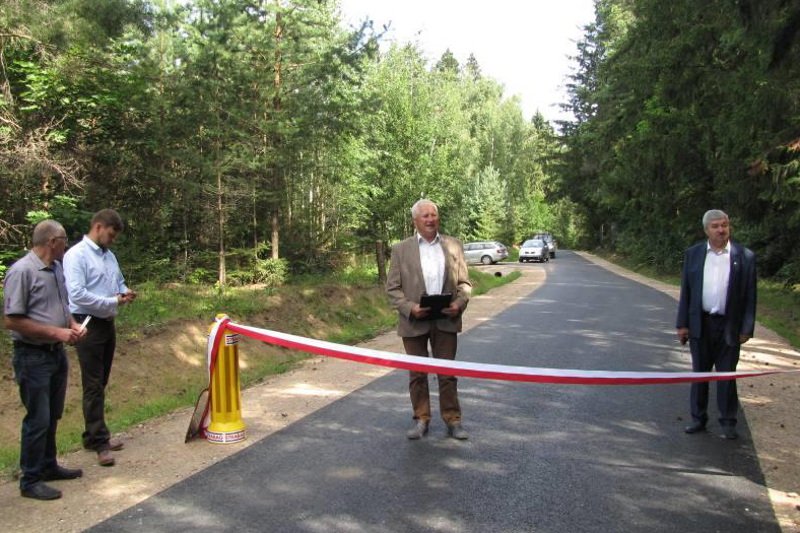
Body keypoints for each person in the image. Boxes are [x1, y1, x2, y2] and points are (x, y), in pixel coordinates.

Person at [3, 220, 86, 500]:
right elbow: (12, 320)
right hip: (32, 356)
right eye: (64, 239)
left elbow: (62, 306)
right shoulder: (22, 272)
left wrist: (72, 325)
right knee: (37, 418)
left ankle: (48, 466)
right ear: (52, 241)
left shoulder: (57, 268)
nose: (67, 245)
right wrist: (56, 332)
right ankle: (30, 479)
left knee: (52, 414)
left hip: (56, 353)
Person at [386, 199, 472, 440]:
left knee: (447, 373)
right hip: (414, 321)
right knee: (417, 374)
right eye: (425, 216)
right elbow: (392, 289)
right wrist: (410, 308)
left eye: (433, 215)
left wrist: (459, 304)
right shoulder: (400, 249)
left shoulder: (454, 245)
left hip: (446, 319)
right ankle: (421, 419)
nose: (430, 219)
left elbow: (465, 284)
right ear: (415, 220)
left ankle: (453, 420)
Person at [63, 209, 136, 466]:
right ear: (98, 227)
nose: (112, 240)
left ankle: (92, 435)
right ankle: (100, 442)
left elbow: (118, 282)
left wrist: (125, 292)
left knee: (101, 381)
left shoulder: (109, 256)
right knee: (93, 384)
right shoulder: (76, 255)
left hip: (106, 323)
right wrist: (112, 301)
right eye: (111, 235)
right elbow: (77, 294)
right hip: (86, 323)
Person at [676, 209, 757, 440]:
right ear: (706, 230)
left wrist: (746, 328)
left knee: (727, 375)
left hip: (729, 326)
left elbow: (750, 295)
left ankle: (728, 422)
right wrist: (682, 324)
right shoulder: (693, 254)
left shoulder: (745, 256)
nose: (721, 230)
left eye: (724, 225)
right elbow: (686, 291)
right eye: (715, 226)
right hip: (700, 324)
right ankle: (698, 419)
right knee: (699, 374)